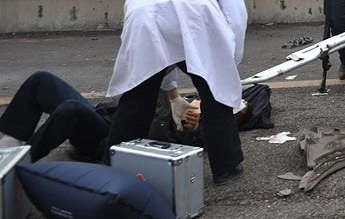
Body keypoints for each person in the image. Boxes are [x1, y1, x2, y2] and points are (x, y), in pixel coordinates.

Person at [105, 0, 248, 185]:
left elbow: (160, 58)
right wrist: (229, 66)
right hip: (190, 10)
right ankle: (225, 165)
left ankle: (118, 162)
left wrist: (172, 94)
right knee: (214, 94)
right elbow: (235, 20)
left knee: (138, 95)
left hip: (140, 8)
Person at [0, 70, 199, 163]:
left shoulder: (212, 120)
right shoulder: (192, 98)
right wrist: (175, 98)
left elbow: (208, 141)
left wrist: (197, 127)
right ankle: (7, 148)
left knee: (71, 110)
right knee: (41, 80)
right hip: (103, 116)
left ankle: (15, 166)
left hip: (109, 138)